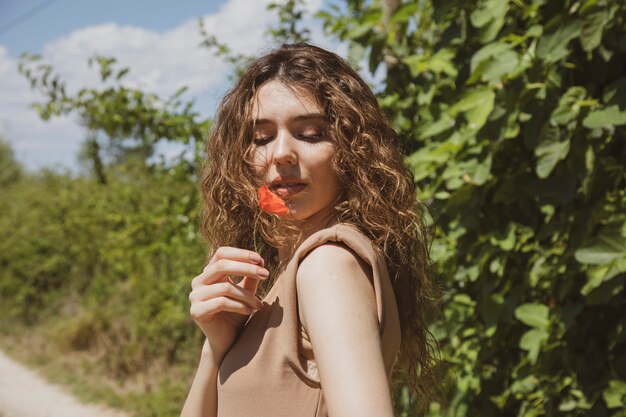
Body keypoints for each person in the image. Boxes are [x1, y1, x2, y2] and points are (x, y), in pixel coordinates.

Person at [181, 43, 440, 417]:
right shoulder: (287, 277)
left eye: (311, 133)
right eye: (261, 138)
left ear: (352, 150)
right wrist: (217, 347)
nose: (281, 153)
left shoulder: (327, 264)